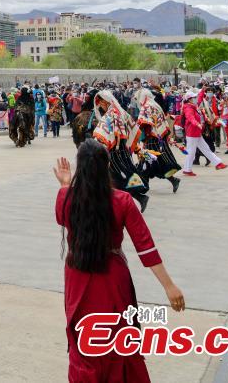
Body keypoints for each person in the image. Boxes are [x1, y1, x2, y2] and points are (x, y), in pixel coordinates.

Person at [54, 140, 185, 382]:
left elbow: (63, 218)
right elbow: (145, 246)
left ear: (79, 168)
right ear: (107, 167)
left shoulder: (66, 197)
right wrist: (169, 286)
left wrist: (64, 184)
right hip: (113, 278)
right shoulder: (123, 200)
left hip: (77, 277)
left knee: (84, 340)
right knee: (118, 339)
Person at [92, 90, 150, 212]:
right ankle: (137, 198)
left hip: (115, 153)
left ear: (106, 102)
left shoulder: (111, 114)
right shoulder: (120, 111)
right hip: (122, 151)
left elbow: (106, 133)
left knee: (118, 179)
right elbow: (130, 128)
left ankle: (138, 198)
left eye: (101, 103)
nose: (101, 106)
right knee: (118, 179)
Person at [130, 89, 182, 193]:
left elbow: (142, 123)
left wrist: (134, 133)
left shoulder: (146, 107)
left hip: (152, 139)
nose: (138, 101)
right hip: (159, 138)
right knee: (155, 162)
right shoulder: (155, 105)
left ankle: (144, 187)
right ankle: (172, 180)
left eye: (138, 98)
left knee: (148, 161)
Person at [177, 91, 227, 176]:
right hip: (192, 132)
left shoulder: (193, 106)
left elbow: (200, 99)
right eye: (194, 97)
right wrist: (197, 124)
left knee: (205, 149)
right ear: (189, 99)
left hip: (196, 132)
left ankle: (218, 163)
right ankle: (187, 169)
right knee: (191, 152)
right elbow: (190, 118)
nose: (195, 99)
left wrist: (202, 90)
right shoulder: (188, 108)